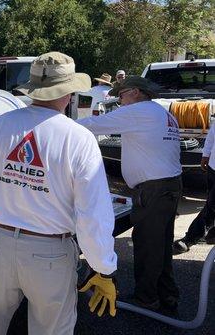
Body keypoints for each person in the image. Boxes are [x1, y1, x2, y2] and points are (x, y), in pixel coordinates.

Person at [0, 52, 118, 335]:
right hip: (50, 254)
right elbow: (93, 214)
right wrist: (103, 267)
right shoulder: (78, 138)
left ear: (33, 89)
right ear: (69, 93)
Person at [78, 76, 182, 313]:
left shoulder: (139, 111)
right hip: (169, 186)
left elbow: (92, 125)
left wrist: (54, 125)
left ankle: (146, 298)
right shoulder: (161, 112)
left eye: (122, 95)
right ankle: (167, 295)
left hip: (154, 189)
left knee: (147, 244)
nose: (120, 101)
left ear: (135, 92)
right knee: (161, 245)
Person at [173, 122, 215, 253]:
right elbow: (212, 134)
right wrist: (206, 154)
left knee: (212, 206)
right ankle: (210, 234)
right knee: (211, 202)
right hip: (213, 167)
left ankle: (190, 239)